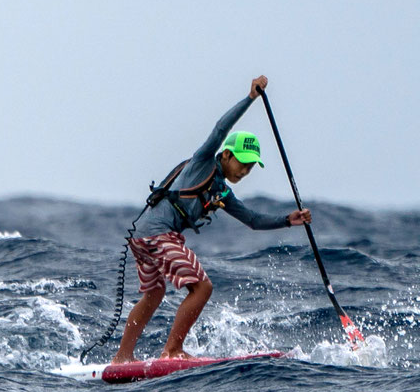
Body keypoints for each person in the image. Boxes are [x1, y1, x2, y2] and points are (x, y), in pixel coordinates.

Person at [113, 75, 313, 363]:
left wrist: (287, 220)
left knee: (154, 295)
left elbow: (253, 220)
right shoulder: (204, 161)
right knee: (202, 287)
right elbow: (221, 128)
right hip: (157, 234)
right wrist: (250, 98)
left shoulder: (221, 191)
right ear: (227, 155)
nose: (245, 172)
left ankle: (122, 358)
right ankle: (171, 351)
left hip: (142, 237)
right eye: (242, 164)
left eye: (250, 168)